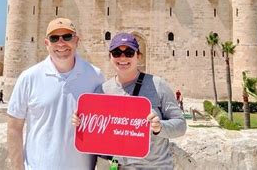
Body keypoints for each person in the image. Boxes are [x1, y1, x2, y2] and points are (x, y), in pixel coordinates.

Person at [73, 32, 186, 169]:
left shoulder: (158, 85)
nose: (122, 57)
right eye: (116, 53)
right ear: (110, 56)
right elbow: (96, 134)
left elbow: (180, 125)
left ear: (138, 56)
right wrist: (81, 122)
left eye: (129, 52)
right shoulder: (102, 91)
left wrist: (159, 127)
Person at [7, 17, 105, 169]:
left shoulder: (95, 76)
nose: (61, 43)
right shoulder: (29, 77)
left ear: (76, 40)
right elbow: (14, 127)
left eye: (67, 37)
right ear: (47, 43)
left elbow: (105, 122)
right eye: (54, 38)